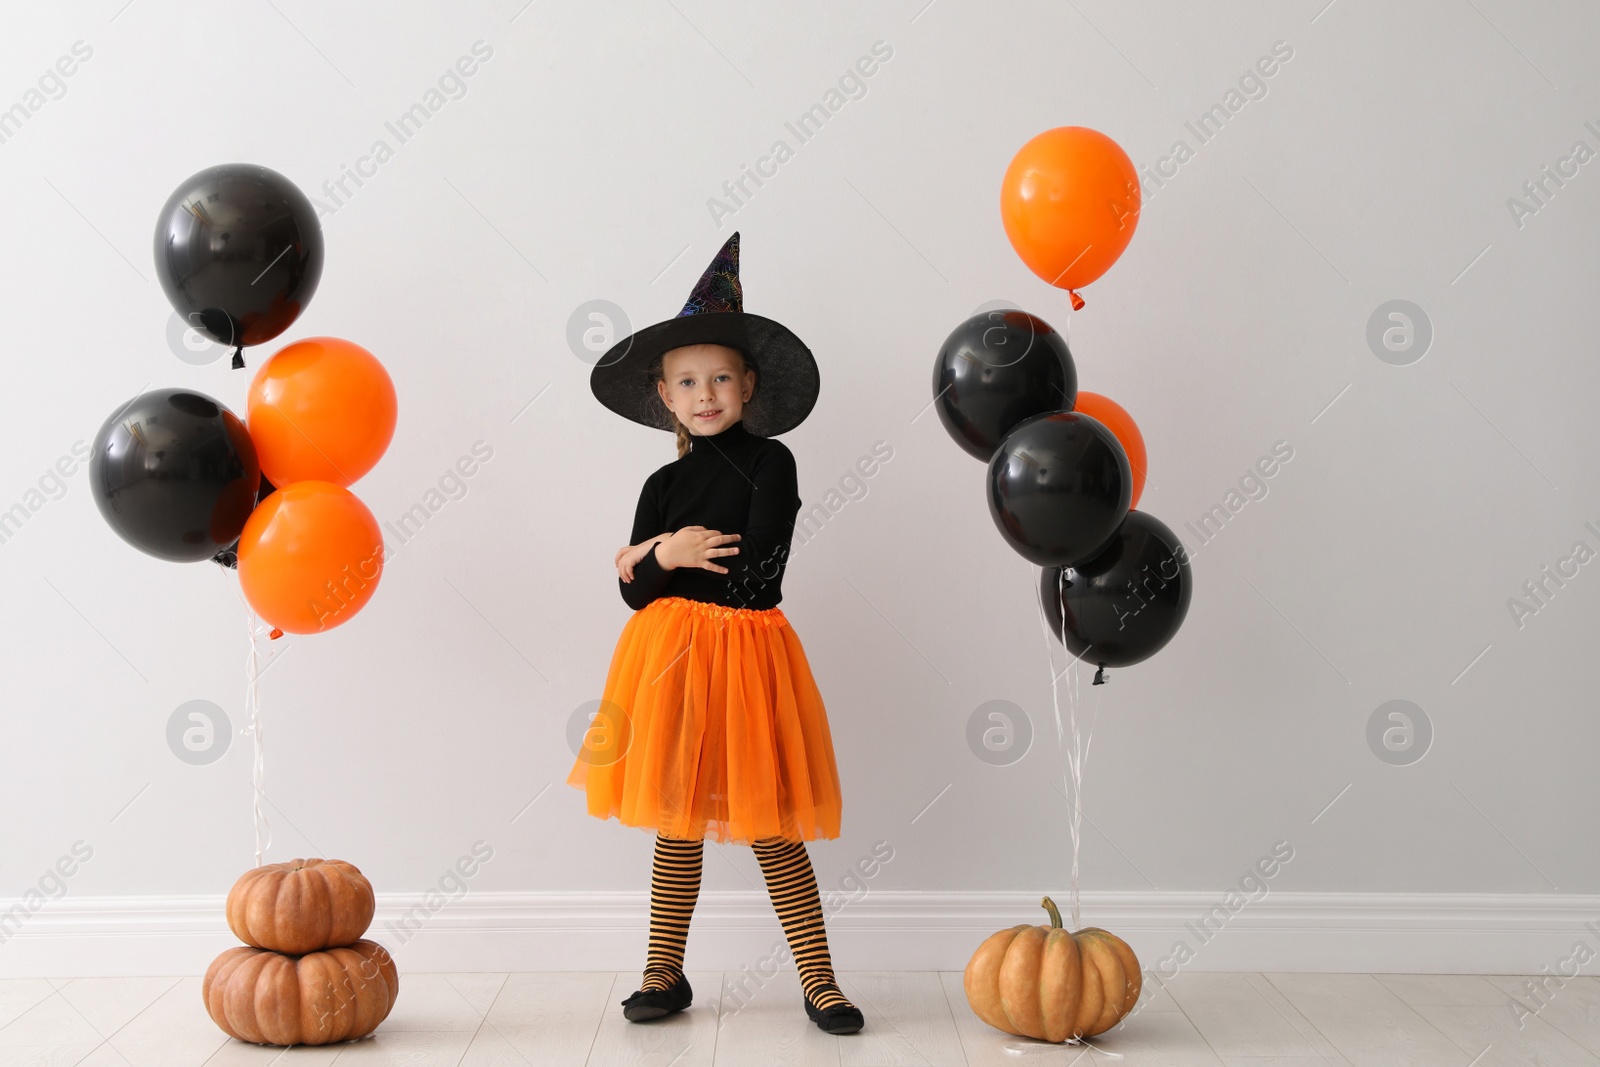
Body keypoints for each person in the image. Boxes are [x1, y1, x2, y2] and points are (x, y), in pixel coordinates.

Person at [566, 233, 863, 1035]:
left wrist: (666, 563)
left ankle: (820, 979)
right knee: (677, 816)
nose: (706, 393)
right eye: (689, 381)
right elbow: (636, 595)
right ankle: (663, 970)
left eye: (721, 378)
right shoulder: (662, 483)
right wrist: (666, 549)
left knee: (771, 821)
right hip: (667, 661)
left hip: (748, 654)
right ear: (665, 395)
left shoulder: (772, 463)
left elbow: (762, 571)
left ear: (748, 386)